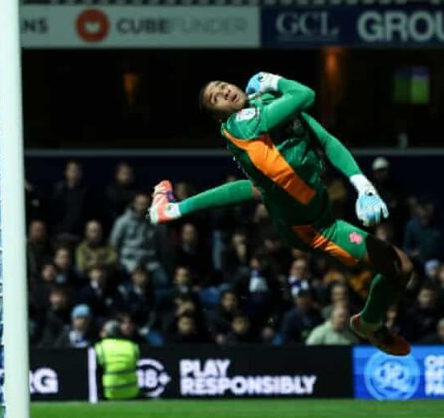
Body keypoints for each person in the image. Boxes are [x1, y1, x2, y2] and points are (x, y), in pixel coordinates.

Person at [148, 72, 414, 354]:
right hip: (313, 229)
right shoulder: (239, 124)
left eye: (224, 85)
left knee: (260, 187)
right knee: (401, 266)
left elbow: (325, 140)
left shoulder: (270, 103)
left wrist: (363, 185)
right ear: (219, 116)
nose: (225, 92)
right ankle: (369, 323)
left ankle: (174, 208)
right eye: (216, 97)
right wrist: (273, 79)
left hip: (315, 205)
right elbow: (306, 95)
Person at [94, 320, 141, 400]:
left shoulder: (100, 348)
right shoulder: (132, 346)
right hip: (132, 393)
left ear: (107, 332)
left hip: (110, 394)